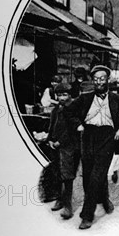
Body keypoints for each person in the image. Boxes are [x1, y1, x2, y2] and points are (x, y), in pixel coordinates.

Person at [65, 65, 119, 230]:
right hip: (88, 137)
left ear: (108, 79)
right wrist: (78, 125)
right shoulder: (85, 98)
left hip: (108, 138)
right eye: (95, 79)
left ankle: (87, 215)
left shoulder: (118, 99)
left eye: (102, 78)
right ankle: (104, 199)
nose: (99, 82)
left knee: (97, 174)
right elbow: (68, 112)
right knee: (88, 176)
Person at [45, 82, 81, 219]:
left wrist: (61, 141)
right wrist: (49, 139)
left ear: (70, 95)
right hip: (55, 145)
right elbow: (51, 126)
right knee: (57, 172)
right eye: (59, 95)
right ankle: (59, 198)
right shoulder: (55, 110)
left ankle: (68, 205)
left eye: (64, 94)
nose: (61, 98)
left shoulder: (73, 110)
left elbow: (72, 130)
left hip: (69, 147)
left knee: (67, 175)